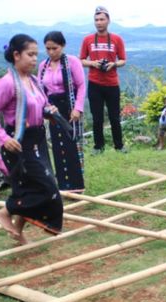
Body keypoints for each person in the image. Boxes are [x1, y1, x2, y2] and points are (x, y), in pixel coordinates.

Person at [0, 34, 64, 245]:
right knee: (47, 188)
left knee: (28, 187)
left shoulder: (33, 80)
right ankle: (4, 212)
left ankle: (17, 231)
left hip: (37, 139)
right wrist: (2, 138)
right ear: (16, 55)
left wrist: (49, 111)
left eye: (37, 55)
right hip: (19, 143)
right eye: (30, 54)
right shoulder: (7, 83)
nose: (35, 59)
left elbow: (40, 106)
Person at [39, 31, 87, 192]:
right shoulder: (43, 66)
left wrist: (77, 108)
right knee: (58, 145)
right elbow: (40, 90)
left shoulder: (72, 62)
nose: (51, 52)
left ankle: (76, 185)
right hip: (52, 108)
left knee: (71, 144)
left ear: (63, 46)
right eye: (48, 49)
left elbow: (81, 85)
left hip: (69, 106)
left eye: (55, 48)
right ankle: (63, 184)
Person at [79, 6, 128, 154]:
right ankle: (98, 146)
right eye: (96, 20)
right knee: (97, 118)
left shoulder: (116, 39)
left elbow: (123, 60)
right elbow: (81, 60)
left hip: (112, 84)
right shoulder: (87, 40)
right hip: (94, 83)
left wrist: (113, 64)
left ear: (108, 21)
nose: (99, 22)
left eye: (102, 19)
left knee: (114, 117)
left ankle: (119, 146)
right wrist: (93, 63)